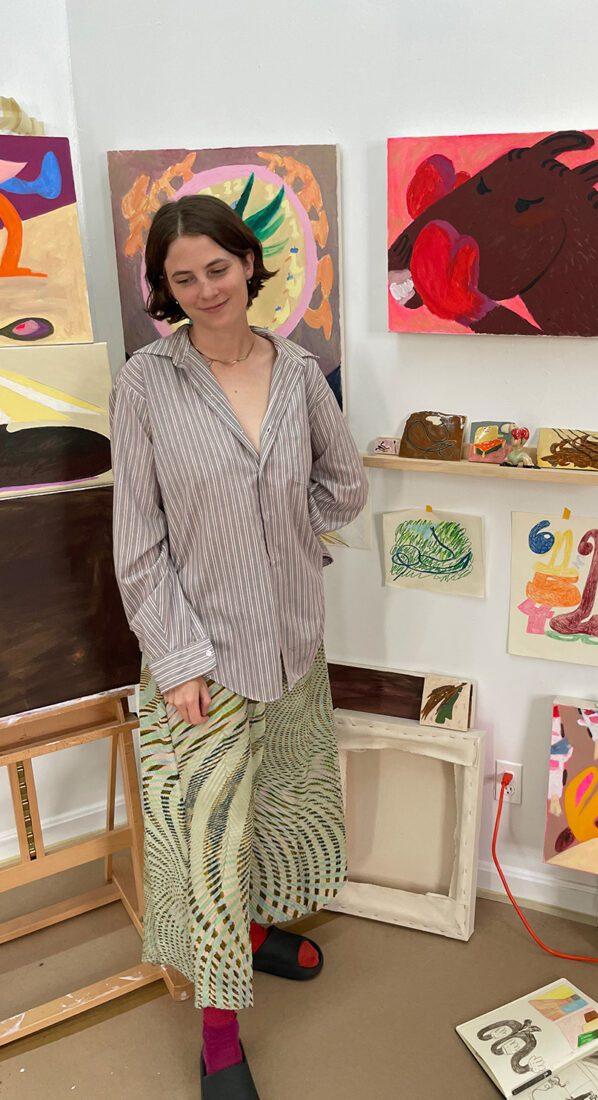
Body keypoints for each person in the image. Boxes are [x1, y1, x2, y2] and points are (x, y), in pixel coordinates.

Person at [109, 193, 367, 1098]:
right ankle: (218, 1034)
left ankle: (258, 934)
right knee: (208, 845)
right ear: (165, 288)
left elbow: (345, 485)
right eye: (182, 278)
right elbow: (136, 542)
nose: (206, 289)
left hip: (293, 645)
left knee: (276, 810)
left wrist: (288, 539)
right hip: (199, 661)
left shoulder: (298, 372)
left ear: (249, 263)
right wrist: (177, 662)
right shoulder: (146, 383)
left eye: (217, 268)